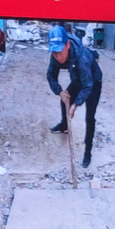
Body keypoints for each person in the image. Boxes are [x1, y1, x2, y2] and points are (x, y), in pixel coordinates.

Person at [46, 23, 102, 169]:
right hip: (78, 79)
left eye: (60, 51)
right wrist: (60, 92)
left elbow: (87, 85)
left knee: (89, 117)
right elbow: (51, 75)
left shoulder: (82, 58)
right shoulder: (56, 55)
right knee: (64, 99)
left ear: (68, 45)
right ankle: (64, 124)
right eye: (55, 52)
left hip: (93, 81)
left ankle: (88, 152)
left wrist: (75, 105)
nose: (58, 56)